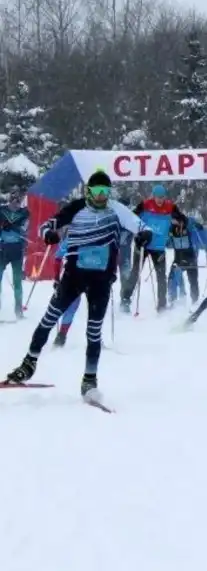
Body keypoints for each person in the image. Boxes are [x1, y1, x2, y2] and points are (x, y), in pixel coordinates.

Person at [4, 169, 150, 400]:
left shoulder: (116, 209)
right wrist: (49, 233)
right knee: (48, 320)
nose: (102, 196)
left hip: (101, 281)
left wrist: (144, 235)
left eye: (106, 191)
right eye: (97, 191)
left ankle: (89, 381)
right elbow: (47, 225)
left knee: (93, 332)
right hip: (73, 276)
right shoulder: (77, 207)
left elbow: (142, 226)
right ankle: (28, 364)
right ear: (88, 191)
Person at [120, 184, 188, 313]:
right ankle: (125, 300)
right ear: (153, 196)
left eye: (162, 197)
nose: (160, 200)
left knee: (161, 276)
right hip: (143, 244)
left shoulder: (170, 207)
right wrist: (137, 234)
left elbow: (183, 220)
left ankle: (162, 305)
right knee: (135, 273)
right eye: (157, 197)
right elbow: (131, 219)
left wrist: (179, 224)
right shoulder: (145, 205)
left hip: (159, 247)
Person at [166, 215, 207, 308]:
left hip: (191, 258)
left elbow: (205, 240)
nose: (175, 222)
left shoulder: (190, 227)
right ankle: (172, 300)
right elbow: (167, 241)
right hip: (178, 258)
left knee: (193, 280)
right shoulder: (171, 228)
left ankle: (195, 301)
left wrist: (201, 229)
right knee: (172, 278)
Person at [0, 191, 30, 319]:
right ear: (10, 199)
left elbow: (25, 229)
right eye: (14, 199)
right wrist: (2, 226)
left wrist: (15, 227)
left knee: (17, 282)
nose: (15, 202)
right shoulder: (1, 210)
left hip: (17, 250)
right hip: (2, 249)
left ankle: (18, 311)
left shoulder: (25, 212)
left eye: (18, 200)